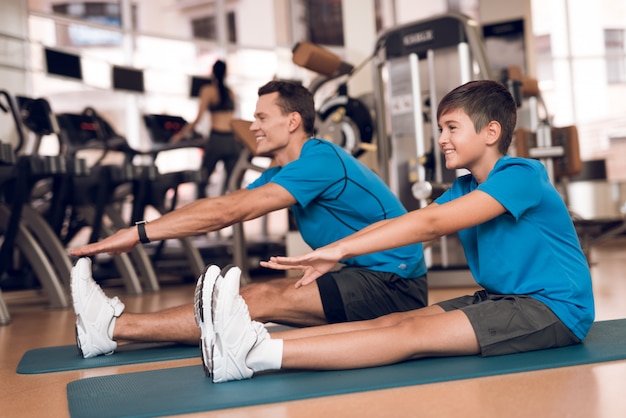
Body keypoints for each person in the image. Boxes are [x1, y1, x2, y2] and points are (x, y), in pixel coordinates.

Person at [195, 79, 595, 383]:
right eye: (441, 128)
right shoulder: (466, 186)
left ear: (490, 133)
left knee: (410, 333)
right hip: (503, 298)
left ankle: (250, 358)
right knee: (392, 321)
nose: (442, 139)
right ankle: (246, 339)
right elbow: (404, 225)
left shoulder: (522, 175)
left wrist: (335, 252)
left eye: (452, 128)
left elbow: (430, 224)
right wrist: (340, 249)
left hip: (553, 309)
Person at [68, 80, 429, 359]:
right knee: (247, 299)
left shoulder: (320, 161)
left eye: (261, 117)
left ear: (292, 121)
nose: (253, 126)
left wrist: (138, 234)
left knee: (257, 299)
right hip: (360, 275)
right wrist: (142, 231)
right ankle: (110, 326)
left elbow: (228, 213)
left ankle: (113, 326)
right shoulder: (282, 171)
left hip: (393, 284)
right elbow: (226, 205)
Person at [171, 59, 243, 198]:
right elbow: (233, 119)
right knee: (233, 184)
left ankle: (202, 213)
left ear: (213, 72)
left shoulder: (208, 90)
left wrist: (180, 134)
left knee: (202, 180)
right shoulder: (231, 92)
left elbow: (198, 118)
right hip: (232, 140)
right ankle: (234, 217)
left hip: (217, 139)